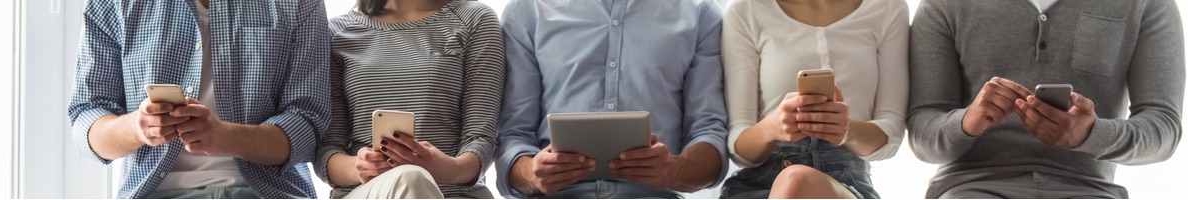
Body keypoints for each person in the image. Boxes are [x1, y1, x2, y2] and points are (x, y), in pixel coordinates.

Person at [907, 0, 1184, 198]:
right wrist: (966, 123)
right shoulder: (941, 5)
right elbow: (922, 135)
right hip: (970, 188)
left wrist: (1091, 134)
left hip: (1087, 190)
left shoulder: (1148, 4)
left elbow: (1164, 130)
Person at [67, 0, 329, 198]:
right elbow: (86, 121)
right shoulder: (112, 3)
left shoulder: (300, 3)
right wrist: (137, 128)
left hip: (266, 192)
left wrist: (224, 136)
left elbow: (308, 125)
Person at [493, 0, 729, 198]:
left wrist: (675, 169)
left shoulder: (701, 13)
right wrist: (533, 174)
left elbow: (709, 132)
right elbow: (512, 135)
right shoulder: (527, 11)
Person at [313, 0, 504, 198]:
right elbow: (326, 150)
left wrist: (448, 169)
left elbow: (481, 139)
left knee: (412, 178)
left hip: (456, 193)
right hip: (368, 193)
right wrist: (358, 167)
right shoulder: (336, 31)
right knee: (410, 179)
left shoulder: (475, 19)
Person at [720, 0, 909, 198]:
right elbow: (740, 148)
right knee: (796, 180)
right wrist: (772, 128)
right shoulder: (747, 9)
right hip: (759, 183)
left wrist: (846, 130)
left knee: (797, 181)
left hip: (844, 185)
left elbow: (892, 132)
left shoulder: (887, 7)